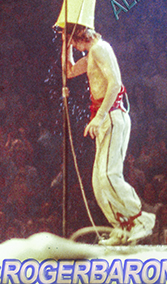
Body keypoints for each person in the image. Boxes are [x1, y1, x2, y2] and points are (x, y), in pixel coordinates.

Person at [62, 17, 155, 246]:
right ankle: (122, 227)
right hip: (103, 118)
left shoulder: (101, 49)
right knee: (98, 181)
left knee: (109, 175)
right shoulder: (92, 53)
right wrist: (65, 47)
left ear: (79, 35)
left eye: (72, 41)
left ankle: (140, 219)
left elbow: (115, 84)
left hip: (111, 114)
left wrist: (100, 116)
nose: (73, 46)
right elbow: (71, 71)